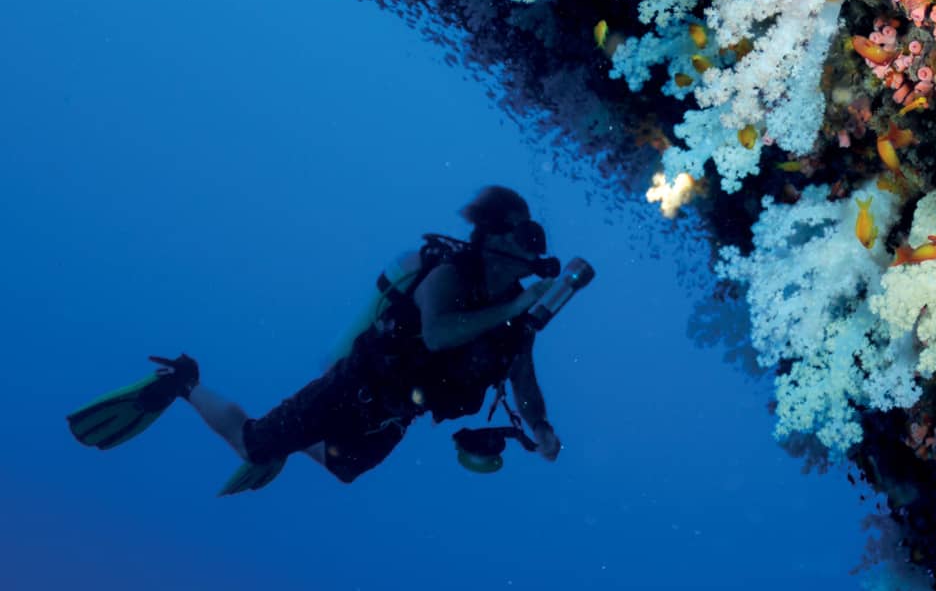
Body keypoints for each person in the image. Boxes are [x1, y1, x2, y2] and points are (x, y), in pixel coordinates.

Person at [68, 186, 591, 494]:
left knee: (344, 470)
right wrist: (514, 307)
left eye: (537, 237)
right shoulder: (453, 275)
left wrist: (541, 426)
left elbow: (522, 372)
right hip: (354, 386)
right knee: (252, 443)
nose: (536, 245)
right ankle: (183, 382)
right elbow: (436, 334)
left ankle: (292, 440)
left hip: (397, 412)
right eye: (528, 234)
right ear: (496, 237)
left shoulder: (517, 308)